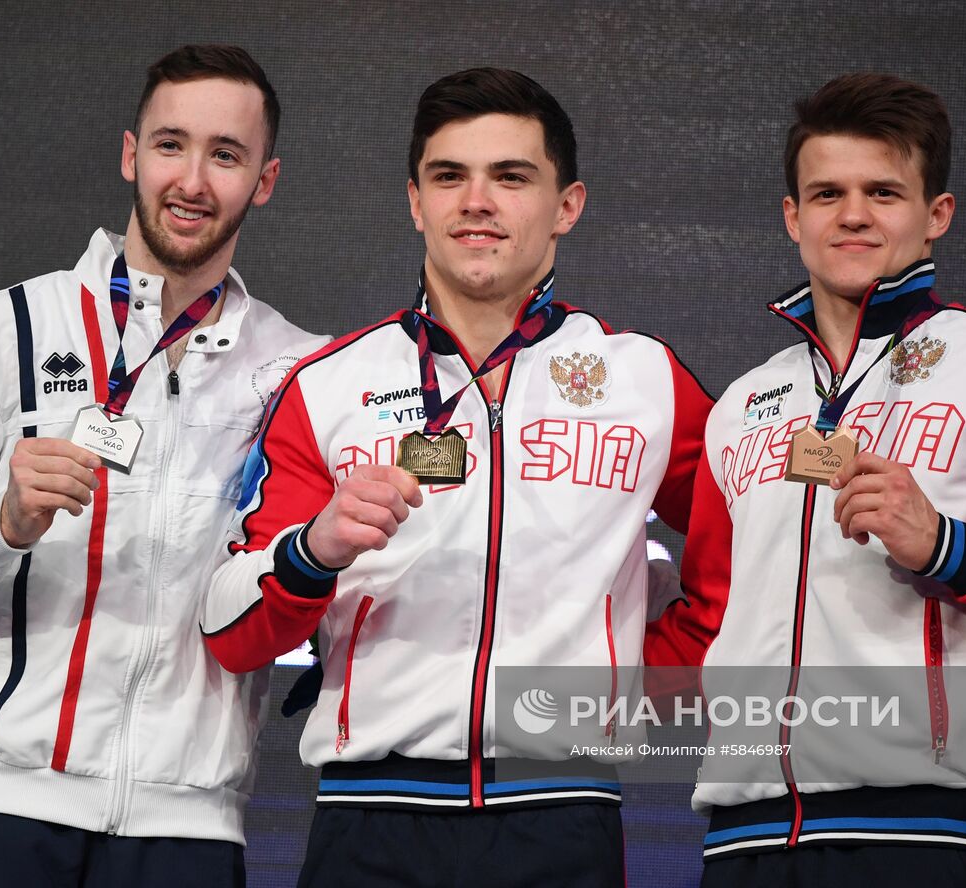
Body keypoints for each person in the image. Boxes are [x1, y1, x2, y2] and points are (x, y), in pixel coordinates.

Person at [644, 72, 966, 887]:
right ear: (794, 218)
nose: (853, 214)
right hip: (740, 843)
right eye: (827, 193)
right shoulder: (744, 403)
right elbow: (710, 626)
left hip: (922, 836)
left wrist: (948, 547)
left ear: (936, 215)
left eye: (884, 191)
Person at [201, 67, 713, 887]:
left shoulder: (644, 380)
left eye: (511, 176)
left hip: (565, 817)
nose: (477, 200)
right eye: (450, 176)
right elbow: (230, 634)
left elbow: (752, 550)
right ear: (416, 202)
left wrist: (638, 677)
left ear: (567, 206)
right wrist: (313, 549)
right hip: (371, 820)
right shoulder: (331, 383)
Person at [0, 45, 326, 887]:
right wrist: (0, 521)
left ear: (266, 179)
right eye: (171, 145)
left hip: (192, 826)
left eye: (226, 155)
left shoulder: (300, 371)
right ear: (130, 153)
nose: (193, 181)